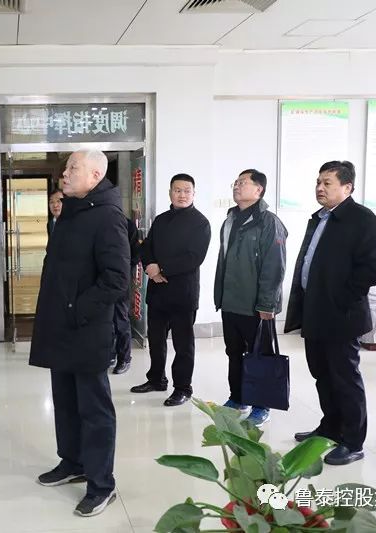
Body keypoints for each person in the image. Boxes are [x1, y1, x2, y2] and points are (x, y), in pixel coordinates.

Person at [30, 149, 129, 518]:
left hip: (87, 328)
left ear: (95, 175)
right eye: (67, 167)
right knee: (66, 401)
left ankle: (102, 483)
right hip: (61, 327)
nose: (65, 174)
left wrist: (77, 309)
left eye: (74, 168)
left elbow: (116, 279)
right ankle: (72, 461)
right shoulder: (71, 211)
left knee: (94, 408)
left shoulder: (107, 217)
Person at [285, 161, 376, 466]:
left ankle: (353, 442)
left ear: (347, 187)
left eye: (327, 183)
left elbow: (371, 269)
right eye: (318, 182)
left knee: (345, 379)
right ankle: (330, 427)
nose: (320, 188)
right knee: (322, 375)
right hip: (316, 311)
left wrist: (342, 299)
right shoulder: (320, 218)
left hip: (341, 315)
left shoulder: (363, 220)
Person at [214, 169, 287, 427]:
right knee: (234, 352)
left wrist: (267, 303)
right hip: (230, 302)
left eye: (243, 183)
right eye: (235, 182)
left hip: (255, 305)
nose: (236, 186)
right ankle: (238, 397)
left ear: (259, 190)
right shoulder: (230, 219)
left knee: (260, 356)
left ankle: (261, 405)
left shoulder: (269, 222)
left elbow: (274, 266)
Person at [131, 173, 211, 405]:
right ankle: (156, 379)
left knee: (183, 345)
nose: (182, 195)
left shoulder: (200, 223)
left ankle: (183, 388)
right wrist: (150, 267)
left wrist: (161, 268)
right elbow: (147, 247)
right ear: (170, 193)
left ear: (194, 194)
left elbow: (194, 257)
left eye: (187, 191)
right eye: (177, 190)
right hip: (157, 292)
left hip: (183, 294)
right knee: (156, 341)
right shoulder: (161, 220)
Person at [110, 216, 140, 374]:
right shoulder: (96, 220)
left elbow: (136, 253)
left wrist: (126, 270)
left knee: (120, 317)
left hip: (121, 278)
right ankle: (110, 354)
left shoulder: (127, 224)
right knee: (105, 318)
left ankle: (124, 358)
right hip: (101, 278)